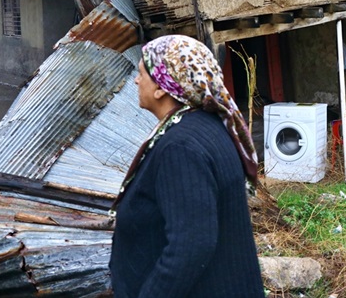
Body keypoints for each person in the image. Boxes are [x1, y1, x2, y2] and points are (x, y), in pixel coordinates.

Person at [109, 35, 264, 297]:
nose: (136, 81)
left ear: (160, 87)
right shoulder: (208, 126)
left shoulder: (180, 148)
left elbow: (191, 245)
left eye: (141, 73)